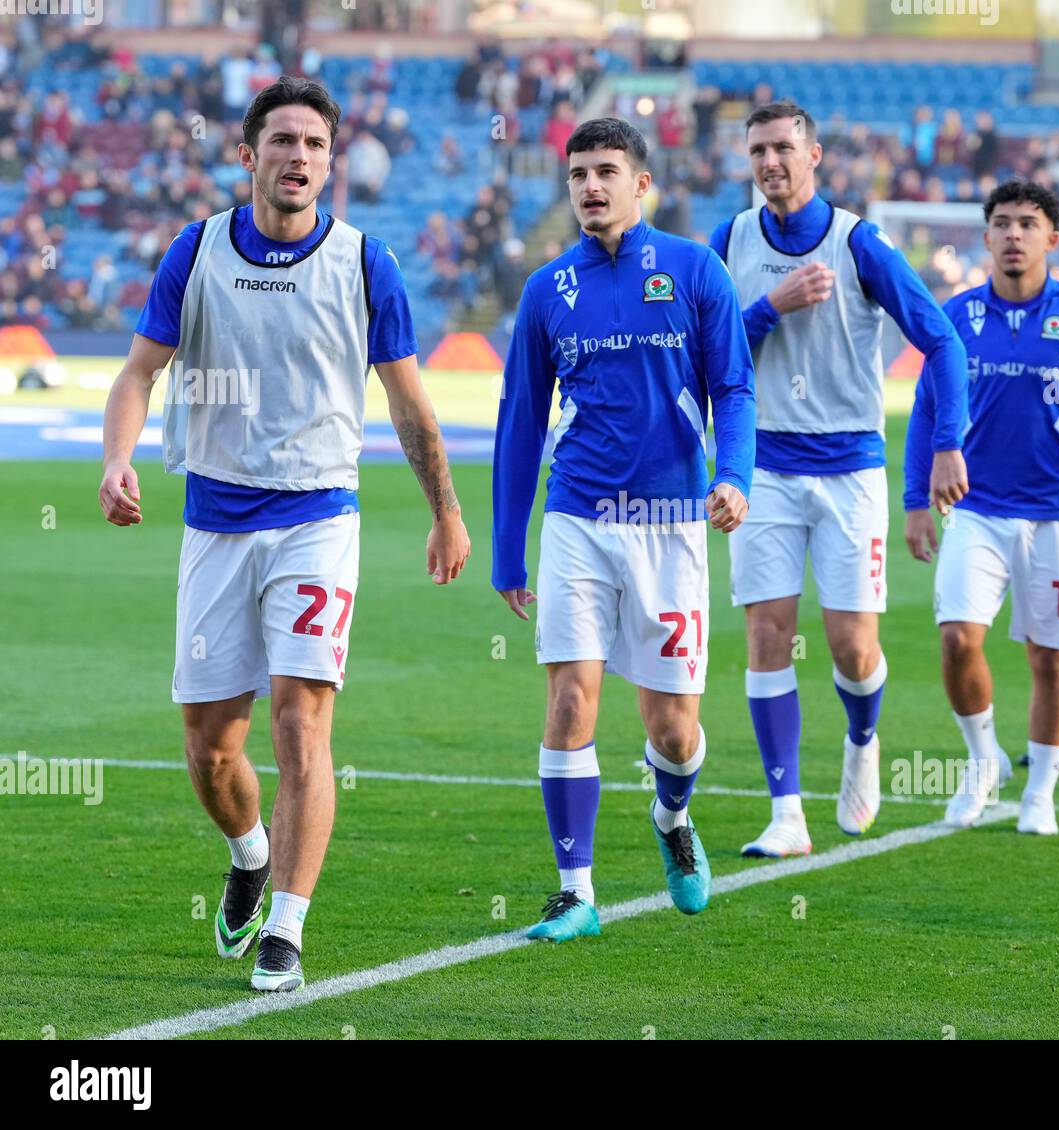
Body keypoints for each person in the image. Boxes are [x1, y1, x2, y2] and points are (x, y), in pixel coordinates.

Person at [98, 76, 471, 992]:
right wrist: (117, 458)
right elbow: (139, 373)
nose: (298, 157)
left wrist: (447, 509)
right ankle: (250, 853)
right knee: (211, 747)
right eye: (283, 142)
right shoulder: (194, 254)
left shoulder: (365, 263)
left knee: (303, 725)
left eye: (314, 144)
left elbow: (411, 406)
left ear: (331, 161)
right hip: (215, 523)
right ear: (248, 155)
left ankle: (290, 929)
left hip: (316, 517)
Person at [492, 117, 755, 943]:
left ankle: (672, 815)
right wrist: (507, 546)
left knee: (671, 731)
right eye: (577, 175)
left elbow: (735, 389)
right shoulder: (547, 291)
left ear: (644, 184)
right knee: (571, 696)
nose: (590, 187)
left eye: (607, 171)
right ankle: (576, 890)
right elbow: (520, 423)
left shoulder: (694, 270)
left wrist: (734, 478)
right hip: (579, 517)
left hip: (673, 524)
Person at [708, 101, 968, 858]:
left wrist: (946, 445)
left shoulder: (860, 243)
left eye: (784, 148)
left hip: (849, 465)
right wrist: (768, 307)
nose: (770, 164)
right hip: (764, 468)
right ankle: (786, 812)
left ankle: (862, 740)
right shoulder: (730, 239)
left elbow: (942, 342)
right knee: (766, 634)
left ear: (814, 155)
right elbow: (710, 356)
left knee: (852, 647)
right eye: (757, 151)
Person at [905, 180, 1059, 835]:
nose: (1013, 235)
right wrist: (916, 500)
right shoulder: (957, 318)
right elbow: (926, 411)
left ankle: (1040, 793)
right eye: (1001, 223)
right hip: (977, 511)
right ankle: (983, 762)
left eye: (1027, 224)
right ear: (985, 236)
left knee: (1051, 658)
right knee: (955, 640)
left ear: (1052, 239)